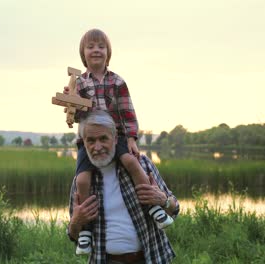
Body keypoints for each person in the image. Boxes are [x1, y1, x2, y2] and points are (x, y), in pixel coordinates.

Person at [64, 28, 173, 255]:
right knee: (82, 178)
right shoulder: (81, 83)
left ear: (108, 52)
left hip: (120, 136)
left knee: (132, 163)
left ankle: (154, 208)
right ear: (83, 54)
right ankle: (86, 232)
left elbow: (127, 112)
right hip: (87, 136)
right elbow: (74, 116)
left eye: (101, 46)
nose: (96, 50)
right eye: (91, 47)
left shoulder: (117, 81)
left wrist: (131, 138)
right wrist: (70, 99)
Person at [67, 110, 179, 264]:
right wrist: (76, 221)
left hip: (150, 258)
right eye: (91, 141)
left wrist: (163, 200)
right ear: (83, 143)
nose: (97, 147)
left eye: (103, 138)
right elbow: (73, 235)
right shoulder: (82, 180)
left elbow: (174, 210)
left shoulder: (142, 164)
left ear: (115, 139)